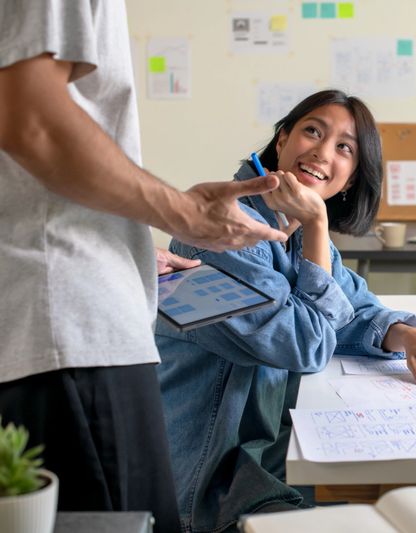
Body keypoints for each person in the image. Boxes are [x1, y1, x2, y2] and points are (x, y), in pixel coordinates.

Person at [0, 2, 286, 532]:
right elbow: (31, 120)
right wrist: (189, 213)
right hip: (68, 326)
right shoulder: (253, 229)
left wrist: (131, 249)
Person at [155, 89, 416, 532]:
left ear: (351, 177)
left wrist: (406, 333)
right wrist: (317, 222)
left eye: (344, 147)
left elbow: (351, 305)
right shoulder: (223, 227)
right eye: (312, 131)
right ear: (282, 141)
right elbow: (306, 342)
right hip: (211, 481)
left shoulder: (293, 229)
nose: (321, 151)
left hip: (265, 452)